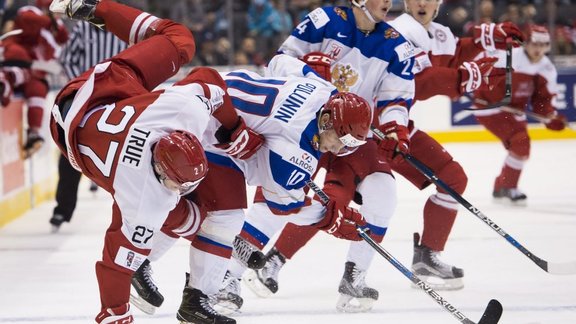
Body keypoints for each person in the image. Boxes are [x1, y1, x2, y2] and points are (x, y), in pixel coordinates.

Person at [240, 0, 525, 311]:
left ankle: (400, 263)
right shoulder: (388, 27)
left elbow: (419, 78)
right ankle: (257, 265)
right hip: (325, 123)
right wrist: (462, 78)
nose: (421, 2)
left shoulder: (420, 35)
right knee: (308, 192)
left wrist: (487, 39)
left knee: (409, 187)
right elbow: (423, 82)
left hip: (369, 130)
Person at [48, 0, 265, 322]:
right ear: (162, 172)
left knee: (179, 39)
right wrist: (235, 130)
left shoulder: (179, 115)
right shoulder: (143, 198)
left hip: (103, 95)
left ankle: (95, 7)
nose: (180, 189)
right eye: (178, 184)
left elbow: (208, 81)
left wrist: (115, 313)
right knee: (190, 218)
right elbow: (114, 266)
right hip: (91, 123)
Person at [128, 48, 376, 321]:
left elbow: (279, 61)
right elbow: (285, 206)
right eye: (342, 140)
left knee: (203, 210)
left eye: (351, 144)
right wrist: (330, 218)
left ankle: (144, 263)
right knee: (224, 218)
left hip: (204, 98)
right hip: (205, 128)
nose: (339, 149)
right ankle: (192, 296)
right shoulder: (295, 149)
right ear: (327, 121)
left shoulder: (321, 88)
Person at [214, 0, 419, 314]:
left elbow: (397, 97)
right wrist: (309, 72)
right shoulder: (324, 19)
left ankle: (354, 277)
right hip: (308, 119)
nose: (388, 3)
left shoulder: (397, 46)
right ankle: (228, 277)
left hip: (355, 131)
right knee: (274, 199)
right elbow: (280, 62)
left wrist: (395, 131)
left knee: (384, 194)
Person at [473, 24, 567, 205]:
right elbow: (480, 69)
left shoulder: (546, 68)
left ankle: (502, 186)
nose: (538, 49)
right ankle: (507, 187)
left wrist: (549, 116)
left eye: (543, 45)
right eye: (535, 44)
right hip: (490, 108)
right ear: (526, 43)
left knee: (522, 148)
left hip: (514, 111)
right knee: (520, 142)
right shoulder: (508, 57)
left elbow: (543, 99)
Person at [49, 20, 127, 233]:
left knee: (125, 155)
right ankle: (62, 209)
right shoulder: (83, 28)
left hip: (116, 99)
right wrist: (85, 81)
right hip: (82, 99)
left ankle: (129, 214)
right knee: (70, 148)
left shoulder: (123, 28)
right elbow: (66, 59)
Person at [2, 0, 68, 158]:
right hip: (11, 60)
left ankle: (34, 133)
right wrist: (49, 22)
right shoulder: (32, 13)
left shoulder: (55, 37)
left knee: (37, 88)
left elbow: (53, 62)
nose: (59, 16)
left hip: (28, 74)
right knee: (19, 65)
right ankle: (3, 81)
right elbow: (25, 20)